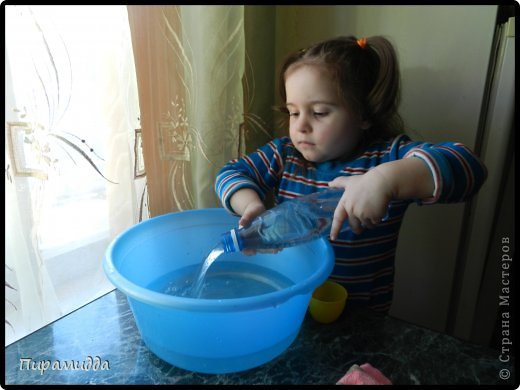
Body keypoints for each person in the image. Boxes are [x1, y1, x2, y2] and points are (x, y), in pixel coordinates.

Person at [214, 36, 487, 312]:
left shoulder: (387, 157)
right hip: (293, 307)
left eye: (319, 112)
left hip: (361, 317)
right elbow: (231, 173)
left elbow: (469, 168)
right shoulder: (283, 154)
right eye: (293, 112)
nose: (300, 126)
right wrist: (251, 205)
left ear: (363, 114)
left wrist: (386, 180)